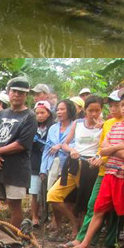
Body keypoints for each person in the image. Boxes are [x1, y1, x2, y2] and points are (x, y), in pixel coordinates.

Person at [65, 87, 124, 248]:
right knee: (98, 209)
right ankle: (85, 244)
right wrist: (119, 146)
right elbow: (102, 150)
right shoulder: (115, 126)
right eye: (122, 104)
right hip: (109, 173)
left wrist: (113, 148)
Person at [62, 90, 123, 248]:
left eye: (119, 105)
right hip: (104, 171)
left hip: (121, 172)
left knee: (117, 209)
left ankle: (110, 242)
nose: (115, 108)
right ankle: (83, 240)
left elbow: (123, 150)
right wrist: (101, 157)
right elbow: (103, 147)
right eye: (112, 105)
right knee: (94, 206)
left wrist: (105, 154)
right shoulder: (108, 124)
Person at [0, 77, 36, 227]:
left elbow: (22, 144)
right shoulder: (0, 114)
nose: (17, 95)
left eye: (21, 92)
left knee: (14, 205)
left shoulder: (29, 117)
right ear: (9, 92)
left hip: (17, 168)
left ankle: (14, 238)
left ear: (26, 95)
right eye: (14, 91)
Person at [47, 96, 104, 234]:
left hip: (91, 167)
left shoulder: (104, 126)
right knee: (53, 195)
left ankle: (82, 233)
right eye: (91, 110)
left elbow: (105, 147)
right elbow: (65, 144)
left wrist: (98, 157)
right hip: (73, 165)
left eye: (97, 110)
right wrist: (72, 150)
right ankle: (74, 223)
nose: (94, 114)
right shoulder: (77, 124)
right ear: (85, 110)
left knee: (85, 200)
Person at [39, 99, 77, 234]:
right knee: (52, 195)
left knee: (66, 197)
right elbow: (47, 149)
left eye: (63, 109)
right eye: (58, 109)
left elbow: (77, 145)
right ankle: (58, 224)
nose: (59, 112)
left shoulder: (76, 125)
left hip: (69, 165)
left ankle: (74, 225)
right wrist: (43, 169)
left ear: (70, 110)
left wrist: (62, 146)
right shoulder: (53, 128)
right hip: (52, 164)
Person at [29, 100, 54, 227]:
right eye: (37, 113)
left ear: (48, 113)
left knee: (49, 191)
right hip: (34, 163)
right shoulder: (31, 127)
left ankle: (48, 215)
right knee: (34, 192)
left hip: (49, 163)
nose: (39, 115)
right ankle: (34, 217)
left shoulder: (53, 129)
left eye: (42, 113)